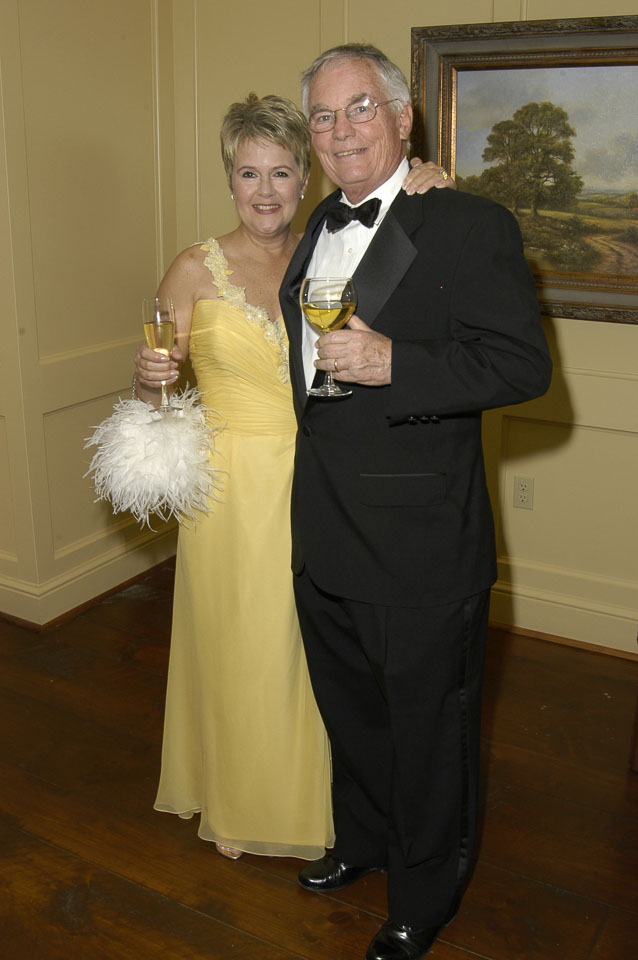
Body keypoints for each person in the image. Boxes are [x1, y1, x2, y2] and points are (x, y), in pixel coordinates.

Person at [279, 44, 552, 959]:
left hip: (422, 542)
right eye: (324, 116)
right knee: (352, 712)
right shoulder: (317, 222)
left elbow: (522, 366)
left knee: (431, 733)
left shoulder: (470, 223)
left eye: (361, 108)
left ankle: (425, 895)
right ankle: (362, 841)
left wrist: (398, 363)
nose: (340, 130)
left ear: (404, 119)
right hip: (324, 526)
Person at [133, 93, 452, 861]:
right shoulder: (193, 268)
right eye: (249, 173)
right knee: (242, 644)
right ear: (230, 179)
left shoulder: (327, 250)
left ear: (305, 178)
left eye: (281, 172)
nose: (266, 190)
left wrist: (431, 187)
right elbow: (154, 398)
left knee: (318, 652)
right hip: (229, 492)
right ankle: (245, 798)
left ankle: (326, 800)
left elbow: (404, 279)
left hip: (322, 478)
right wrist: (149, 379)